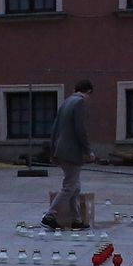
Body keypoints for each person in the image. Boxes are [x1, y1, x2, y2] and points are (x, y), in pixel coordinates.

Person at [40, 79, 96, 230]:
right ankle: (49, 215)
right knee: (70, 186)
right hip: (71, 151)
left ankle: (77, 219)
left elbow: (55, 127)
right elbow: (80, 130)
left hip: (60, 149)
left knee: (74, 186)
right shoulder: (79, 103)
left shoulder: (66, 102)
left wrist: (53, 150)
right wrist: (88, 150)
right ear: (88, 92)